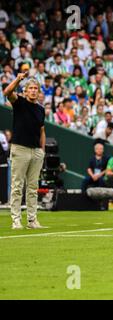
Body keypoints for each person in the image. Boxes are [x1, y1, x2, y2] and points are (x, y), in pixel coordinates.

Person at [3, 73, 45, 229]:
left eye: (36, 88)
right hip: (20, 148)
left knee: (33, 187)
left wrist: (42, 150)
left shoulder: (41, 109)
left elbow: (42, 130)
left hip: (36, 151)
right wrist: (18, 79)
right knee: (17, 186)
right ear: (25, 91)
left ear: (38, 92)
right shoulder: (19, 102)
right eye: (31, 88)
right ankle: (16, 220)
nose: (33, 91)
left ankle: (32, 220)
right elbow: (7, 92)